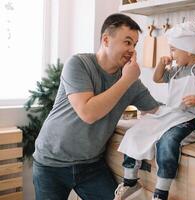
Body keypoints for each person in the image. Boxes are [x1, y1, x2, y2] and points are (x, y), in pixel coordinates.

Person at [32, 13, 159, 200]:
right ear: (106, 40)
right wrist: (126, 80)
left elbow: (156, 110)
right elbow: (88, 113)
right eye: (127, 42)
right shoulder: (78, 64)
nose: (132, 49)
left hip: (90, 165)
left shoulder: (130, 81)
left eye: (135, 44)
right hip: (51, 163)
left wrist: (190, 114)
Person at [115, 22, 195, 200]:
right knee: (136, 131)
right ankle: (130, 183)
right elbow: (157, 79)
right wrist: (160, 65)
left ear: (187, 49)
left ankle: (160, 193)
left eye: (174, 50)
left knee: (167, 141)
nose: (171, 54)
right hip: (171, 113)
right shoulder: (177, 69)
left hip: (190, 118)